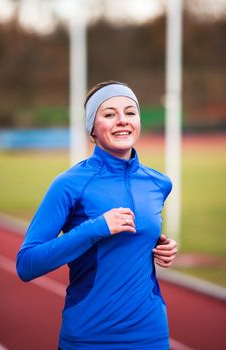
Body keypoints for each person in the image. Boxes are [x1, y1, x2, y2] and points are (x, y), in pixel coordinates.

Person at [17, 81, 177, 350]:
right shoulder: (69, 184)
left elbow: (136, 243)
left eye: (130, 112)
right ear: (92, 127)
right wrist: (95, 228)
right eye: (109, 114)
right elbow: (27, 264)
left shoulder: (159, 183)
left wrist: (161, 247)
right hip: (90, 336)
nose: (122, 121)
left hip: (151, 334)